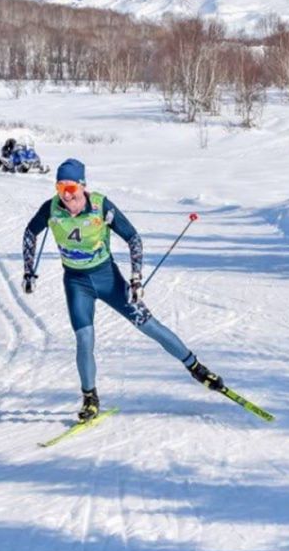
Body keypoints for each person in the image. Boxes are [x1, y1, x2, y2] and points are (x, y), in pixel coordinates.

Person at [21, 158, 224, 422]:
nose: (66, 196)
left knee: (150, 326)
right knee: (84, 340)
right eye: (60, 189)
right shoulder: (51, 209)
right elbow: (30, 232)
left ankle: (196, 368)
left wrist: (136, 279)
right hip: (76, 283)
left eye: (71, 189)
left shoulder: (100, 206)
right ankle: (90, 399)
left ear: (83, 186)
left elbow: (133, 238)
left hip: (108, 280)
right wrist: (28, 270)